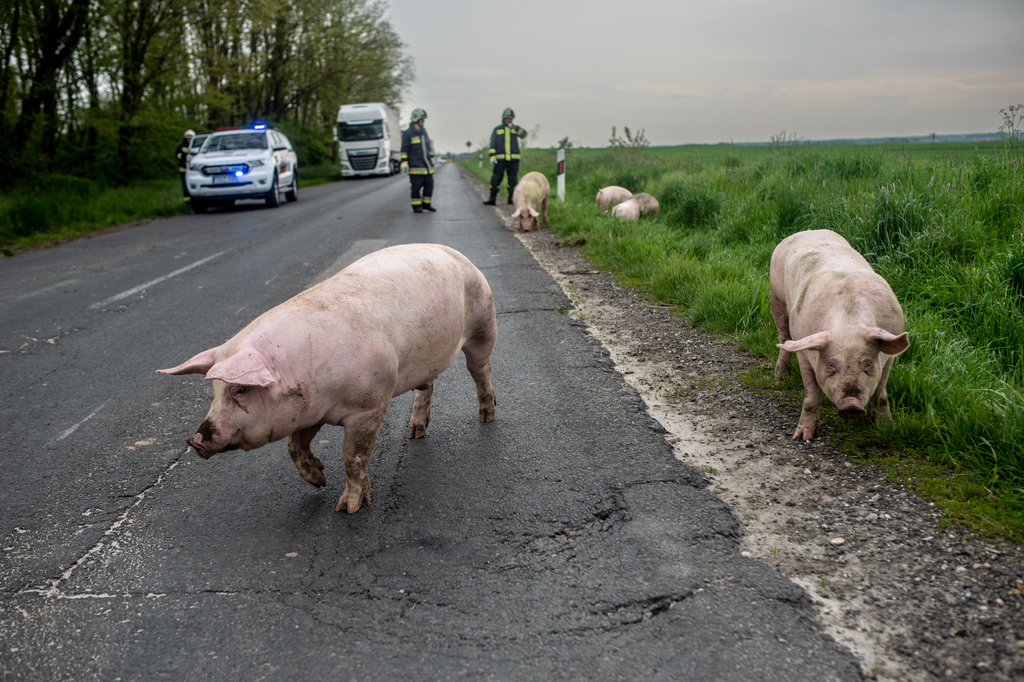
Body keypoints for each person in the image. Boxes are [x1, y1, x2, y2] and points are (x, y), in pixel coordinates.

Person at [483, 108, 527, 206]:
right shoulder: (497, 129)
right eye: (507, 118)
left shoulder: (515, 129)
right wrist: (492, 156)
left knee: (513, 180)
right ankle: (492, 199)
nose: (509, 120)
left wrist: (515, 128)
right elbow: (493, 144)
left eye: (511, 118)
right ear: (503, 118)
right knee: (495, 179)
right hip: (500, 160)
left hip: (513, 160)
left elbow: (524, 134)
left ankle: (511, 198)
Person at [400, 109, 436, 213]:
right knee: (416, 188)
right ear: (417, 119)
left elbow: (428, 147)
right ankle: (416, 206)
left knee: (430, 186)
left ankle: (426, 205)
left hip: (427, 167)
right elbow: (404, 149)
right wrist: (404, 162)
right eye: (422, 120)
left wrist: (432, 158)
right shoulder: (408, 133)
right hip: (415, 167)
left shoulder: (424, 132)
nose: (423, 122)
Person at [175, 129, 195, 203]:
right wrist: (184, 153)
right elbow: (178, 156)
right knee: (185, 186)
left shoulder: (195, 146)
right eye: (188, 138)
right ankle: (187, 202)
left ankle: (194, 200)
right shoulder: (181, 146)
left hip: (193, 170)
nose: (189, 140)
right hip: (183, 169)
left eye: (190, 138)